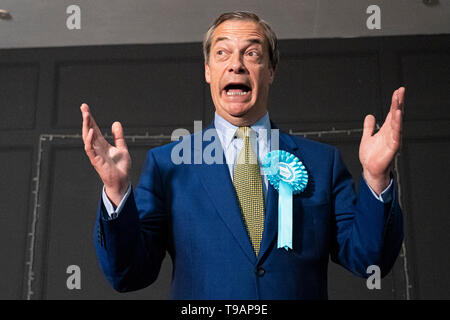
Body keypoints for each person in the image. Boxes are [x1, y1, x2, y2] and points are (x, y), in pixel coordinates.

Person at [80, 11, 404, 299]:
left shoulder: (322, 163)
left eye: (251, 53)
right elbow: (129, 274)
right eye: (222, 53)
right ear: (208, 71)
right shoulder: (168, 164)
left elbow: (368, 260)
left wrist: (377, 178)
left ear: (271, 70)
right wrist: (116, 192)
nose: (236, 63)